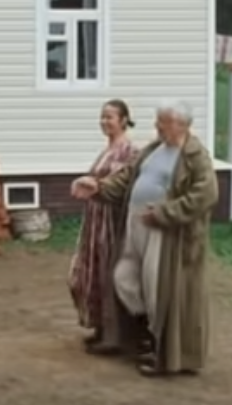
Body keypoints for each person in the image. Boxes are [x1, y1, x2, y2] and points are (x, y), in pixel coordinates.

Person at [72, 99, 219, 377]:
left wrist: (165, 212)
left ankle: (161, 351)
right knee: (124, 278)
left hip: (165, 233)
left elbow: (205, 195)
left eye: (162, 121)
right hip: (136, 226)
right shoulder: (153, 150)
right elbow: (126, 177)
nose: (157, 126)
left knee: (157, 288)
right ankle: (143, 336)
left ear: (180, 124)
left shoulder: (195, 156)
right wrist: (98, 186)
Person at [67, 99, 142, 356]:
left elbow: (124, 185)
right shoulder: (107, 149)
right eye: (102, 117)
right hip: (95, 222)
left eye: (110, 117)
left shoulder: (130, 150)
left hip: (110, 222)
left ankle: (114, 337)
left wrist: (96, 185)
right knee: (88, 276)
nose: (104, 122)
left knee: (108, 276)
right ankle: (100, 327)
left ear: (124, 120)